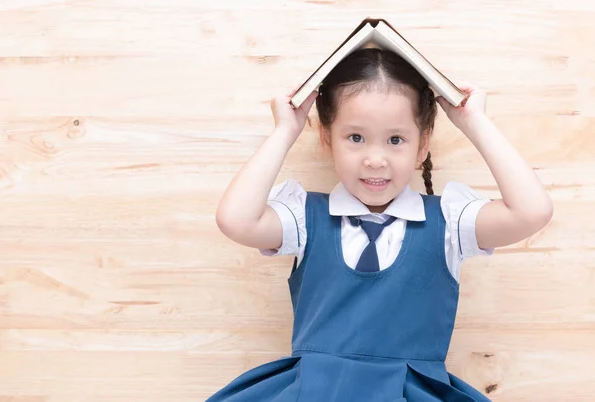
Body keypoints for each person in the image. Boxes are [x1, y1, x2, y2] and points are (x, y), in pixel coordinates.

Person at [209, 48, 553, 401]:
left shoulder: (449, 224)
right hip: (315, 391)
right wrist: (285, 130)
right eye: (355, 138)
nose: (375, 160)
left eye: (396, 140)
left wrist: (473, 121)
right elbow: (236, 220)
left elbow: (531, 212)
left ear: (422, 146)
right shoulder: (305, 219)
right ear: (327, 138)